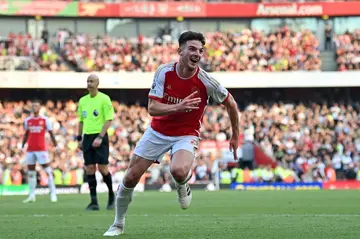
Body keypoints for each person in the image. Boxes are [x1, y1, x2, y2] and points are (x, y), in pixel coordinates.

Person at [103, 31, 240, 236]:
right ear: (180, 51)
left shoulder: (206, 81)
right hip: (157, 131)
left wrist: (235, 135)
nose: (197, 54)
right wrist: (179, 107)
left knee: (178, 171)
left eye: (200, 50)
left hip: (186, 134)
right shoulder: (164, 72)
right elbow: (152, 108)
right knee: (131, 177)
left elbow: (231, 104)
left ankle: (182, 185)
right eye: (192, 49)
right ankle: (118, 223)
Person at [77, 74, 115, 211]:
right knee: (89, 168)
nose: (89, 83)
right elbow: (81, 120)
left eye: (92, 81)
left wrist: (100, 137)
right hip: (87, 137)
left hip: (100, 136)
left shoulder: (104, 99)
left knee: (103, 168)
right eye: (87, 81)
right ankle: (94, 202)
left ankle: (111, 196)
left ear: (97, 83)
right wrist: (79, 138)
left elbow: (108, 120)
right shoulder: (82, 101)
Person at [22, 100, 58, 203]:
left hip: (41, 149)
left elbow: (51, 133)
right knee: (31, 173)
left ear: (40, 107)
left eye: (36, 106)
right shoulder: (27, 120)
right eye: (33, 106)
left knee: (47, 171)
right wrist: (22, 145)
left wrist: (55, 145)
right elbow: (26, 134)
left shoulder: (45, 120)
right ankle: (32, 195)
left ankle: (53, 193)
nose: (34, 108)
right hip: (30, 150)